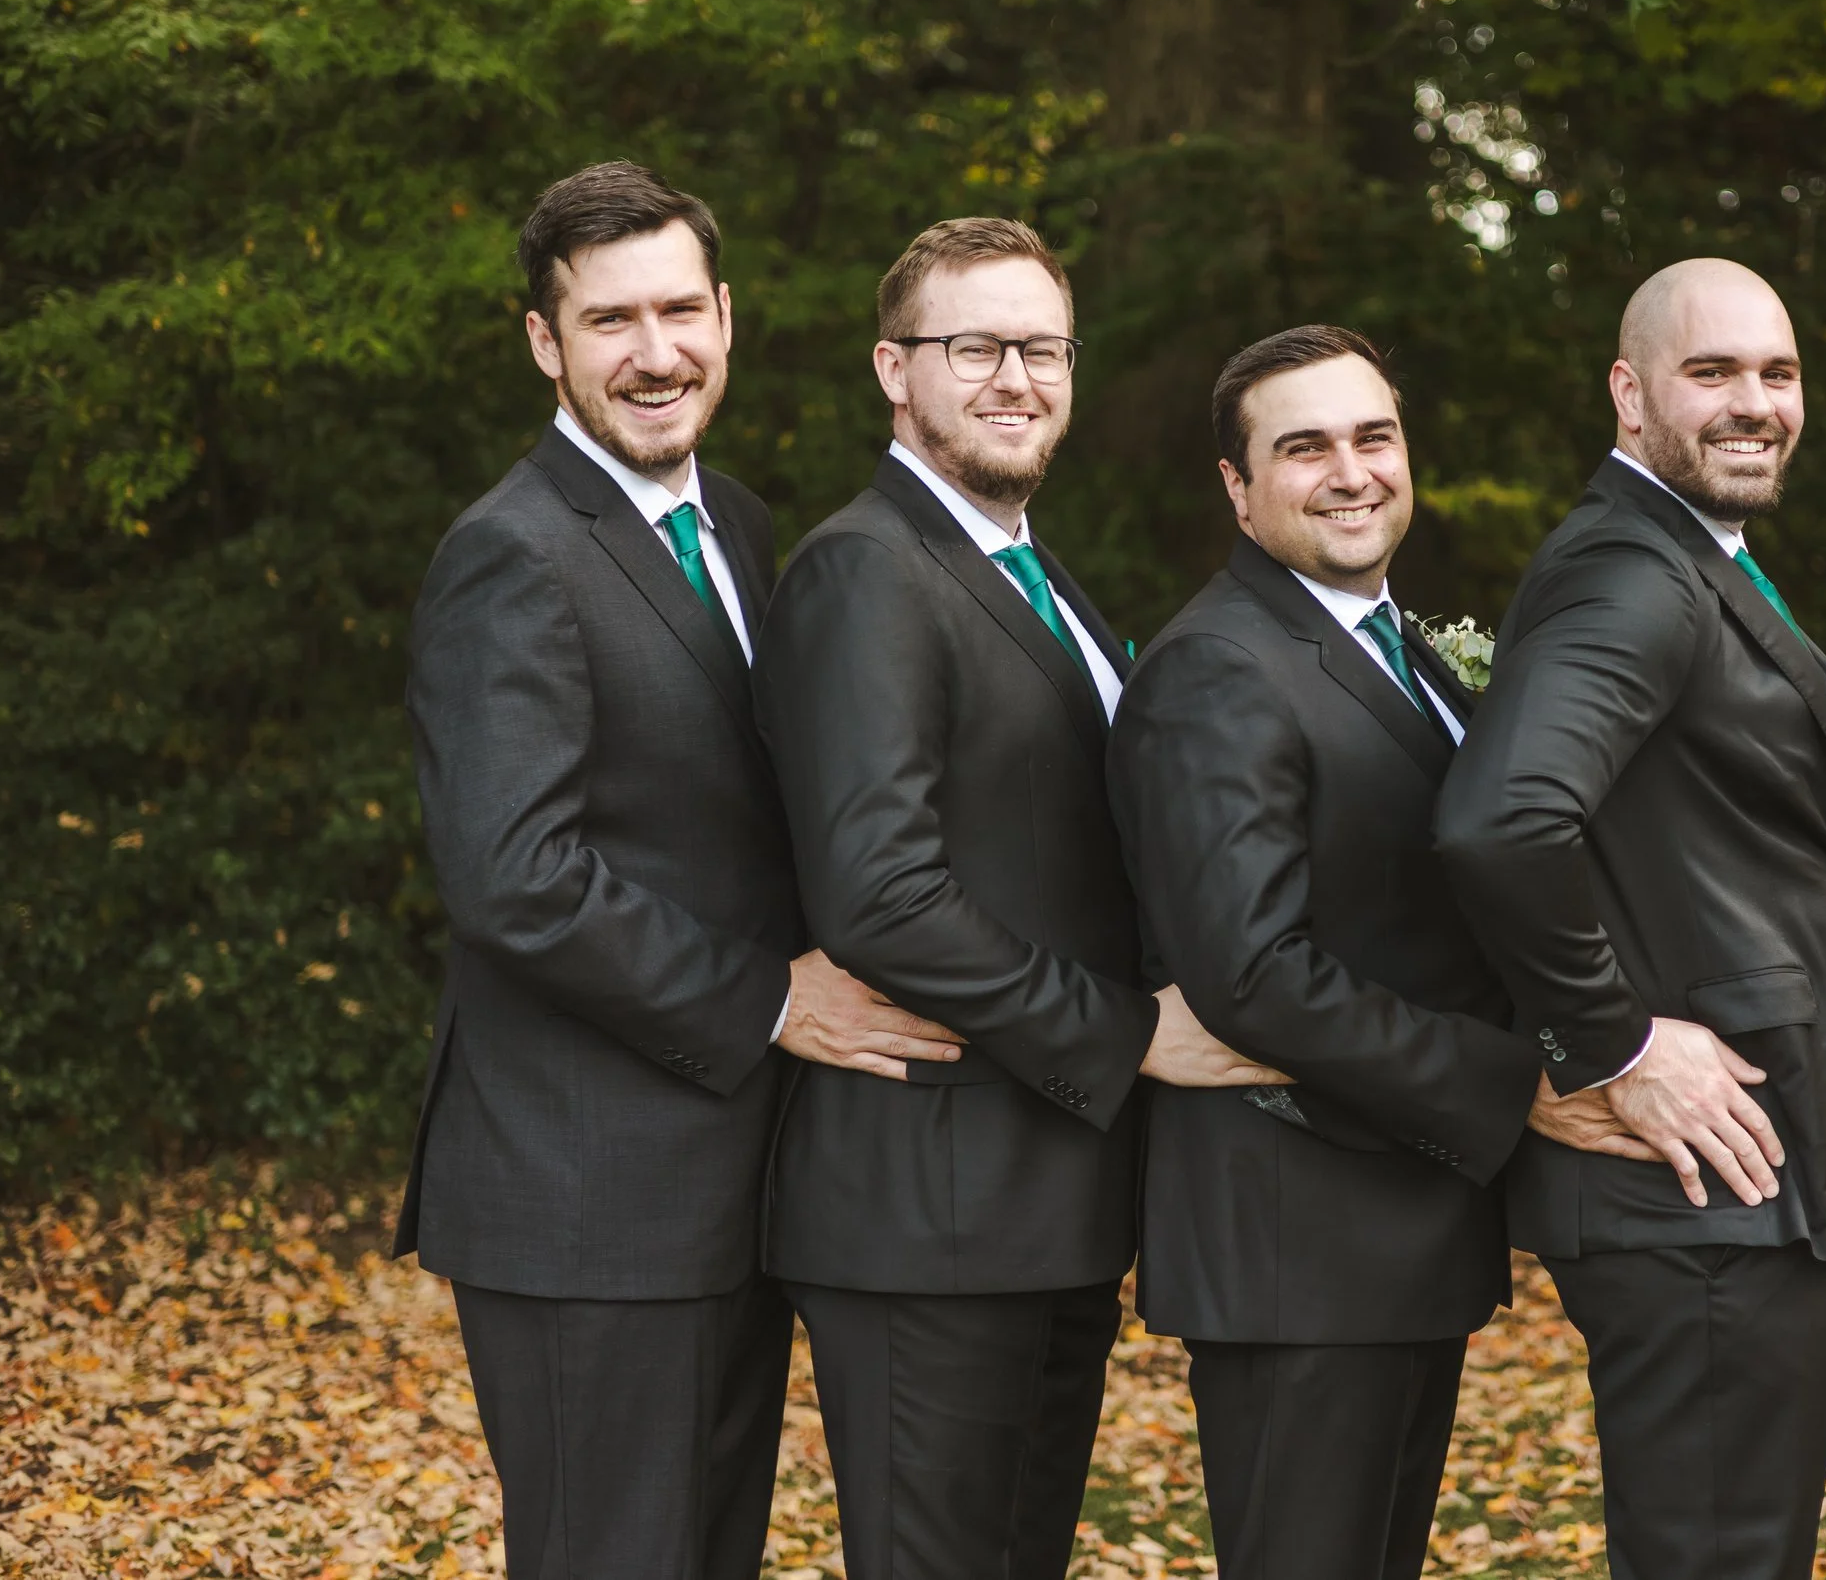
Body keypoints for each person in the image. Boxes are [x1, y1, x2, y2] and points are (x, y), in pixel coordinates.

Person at [400, 161, 956, 1580]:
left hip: (725, 1183)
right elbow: (515, 874)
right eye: (608, 321)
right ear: (547, 342)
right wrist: (774, 1000)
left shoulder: (744, 527)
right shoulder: (511, 554)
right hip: (585, 1193)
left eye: (677, 309)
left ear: (728, 314)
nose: (655, 354)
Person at [752, 217, 1281, 1580]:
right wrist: (1125, 1032)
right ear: (894, 367)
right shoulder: (868, 568)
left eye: (1041, 346)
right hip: (928, 1201)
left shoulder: (1033, 577)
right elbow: (880, 888)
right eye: (973, 345)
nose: (1015, 377)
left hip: (1038, 1196)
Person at [1433, 257, 1826, 1580]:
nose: (1754, 402)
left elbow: (1739, 877)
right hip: (1697, 1199)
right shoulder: (1632, 573)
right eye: (1714, 373)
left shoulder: (1698, 557)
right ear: (1629, 395)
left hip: (1761, 1176)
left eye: (1777, 372)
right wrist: (1616, 1040)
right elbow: (1500, 819)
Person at [1108, 327, 1540, 1580]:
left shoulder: (1392, 645)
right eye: (1304, 447)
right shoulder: (1216, 667)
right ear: (1238, 490)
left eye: (1373, 437)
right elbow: (1250, 971)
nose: (1351, 471)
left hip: (1392, 1221)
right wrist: (1510, 1082)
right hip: (1295, 1235)